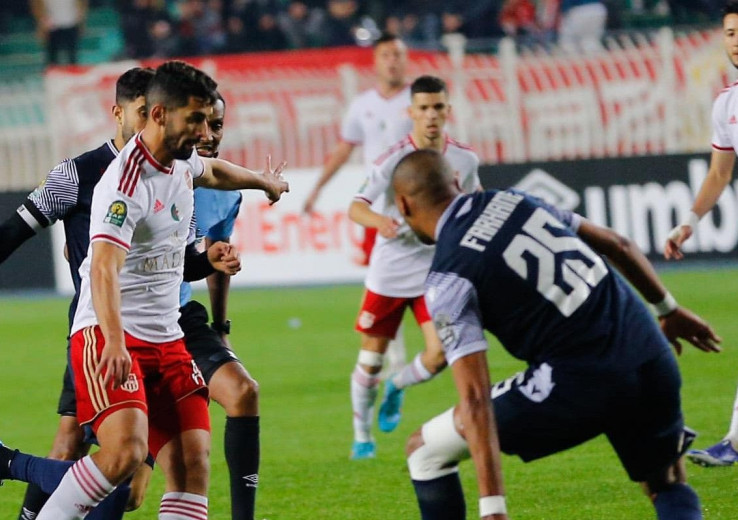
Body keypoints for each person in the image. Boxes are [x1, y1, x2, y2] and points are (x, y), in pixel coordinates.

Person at [1, 60, 288, 520]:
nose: (204, 132)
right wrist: (114, 342)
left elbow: (213, 171)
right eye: (194, 120)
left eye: (207, 120)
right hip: (109, 334)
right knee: (123, 455)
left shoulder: (180, 160)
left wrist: (262, 181)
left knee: (192, 465)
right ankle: (14, 467)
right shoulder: (123, 181)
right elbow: (103, 268)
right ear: (157, 115)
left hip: (168, 337)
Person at [393, 149, 721, 520]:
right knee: (667, 483)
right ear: (456, 180)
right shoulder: (515, 200)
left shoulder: (448, 277)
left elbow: (475, 398)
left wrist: (493, 507)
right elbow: (618, 244)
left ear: (403, 205)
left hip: (577, 383)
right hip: (649, 352)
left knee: (424, 450)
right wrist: (668, 310)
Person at [0, 67, 155, 520]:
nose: (150, 124)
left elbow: (184, 259)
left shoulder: (172, 172)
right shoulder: (77, 174)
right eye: (142, 113)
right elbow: (13, 231)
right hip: (98, 332)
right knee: (109, 464)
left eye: (158, 114)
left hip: (158, 333)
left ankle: (9, 465)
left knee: (128, 485)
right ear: (118, 113)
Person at [347, 75, 480, 459]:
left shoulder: (465, 160)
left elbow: (475, 202)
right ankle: (362, 437)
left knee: (438, 355)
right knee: (370, 360)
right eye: (423, 108)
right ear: (411, 113)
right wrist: (381, 222)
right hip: (390, 270)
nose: (431, 115)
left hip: (435, 270)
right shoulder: (393, 160)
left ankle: (398, 386)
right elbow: (356, 206)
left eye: (438, 107)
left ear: (448, 110)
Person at [303, 31, 412, 376]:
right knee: (383, 281)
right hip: (377, 210)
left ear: (405, 59)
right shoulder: (363, 105)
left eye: (398, 55)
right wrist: (317, 188)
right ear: (376, 61)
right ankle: (395, 357)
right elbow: (343, 150)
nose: (393, 61)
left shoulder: (419, 100)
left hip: (418, 204)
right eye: (386, 55)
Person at [663, 0, 738, 468]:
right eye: (730, 32)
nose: (736, 40)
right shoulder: (727, 104)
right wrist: (689, 220)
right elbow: (718, 174)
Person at [30, 0, 87, 65]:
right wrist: (40, 23)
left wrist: (81, 22)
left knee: (72, 57)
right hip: (51, 26)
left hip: (71, 23)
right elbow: (36, 5)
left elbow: (82, 4)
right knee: (52, 59)